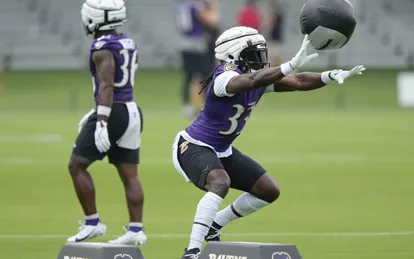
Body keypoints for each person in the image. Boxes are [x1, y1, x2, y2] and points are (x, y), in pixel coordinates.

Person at [171, 26, 365, 259]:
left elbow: (298, 82)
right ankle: (191, 251)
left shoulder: (255, 77)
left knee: (267, 191)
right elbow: (250, 80)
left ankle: (215, 224)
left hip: (222, 150)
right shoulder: (225, 76)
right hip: (193, 146)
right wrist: (289, 65)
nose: (261, 58)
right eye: (254, 52)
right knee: (220, 182)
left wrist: (328, 76)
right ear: (235, 54)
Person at [66, 0, 146, 245]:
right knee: (129, 174)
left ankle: (93, 223)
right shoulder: (127, 41)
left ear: (94, 18)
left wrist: (101, 119)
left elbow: (107, 85)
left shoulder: (101, 46)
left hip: (113, 112)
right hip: (132, 110)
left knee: (76, 165)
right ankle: (135, 229)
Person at [176, 0, 219, 118]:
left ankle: (187, 106)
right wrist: (214, 8)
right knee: (206, 75)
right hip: (197, 44)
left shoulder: (181, 6)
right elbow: (212, 22)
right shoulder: (196, 6)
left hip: (184, 43)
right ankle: (208, 106)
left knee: (188, 76)